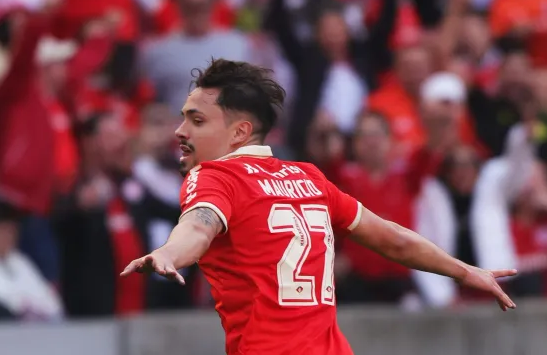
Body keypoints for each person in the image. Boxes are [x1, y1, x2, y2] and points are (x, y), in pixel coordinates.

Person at [121, 58, 517, 355]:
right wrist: (464, 270)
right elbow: (392, 238)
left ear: (239, 132)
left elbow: (199, 225)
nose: (180, 131)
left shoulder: (214, 177)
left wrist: (169, 253)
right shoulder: (308, 178)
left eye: (196, 121)